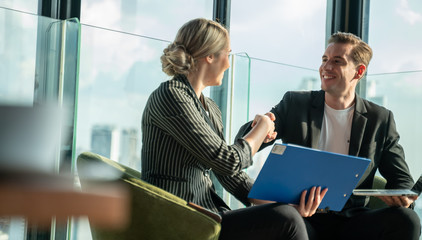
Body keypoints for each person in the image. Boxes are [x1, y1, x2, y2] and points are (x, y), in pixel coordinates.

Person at [141, 18, 328, 240]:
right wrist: (261, 129)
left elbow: (229, 175)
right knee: (286, 220)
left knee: (298, 221)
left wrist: (286, 204)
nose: (229, 64)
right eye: (226, 55)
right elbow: (227, 160)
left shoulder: (209, 107)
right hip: (181, 217)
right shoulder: (171, 96)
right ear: (209, 56)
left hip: (208, 215)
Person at [237, 32, 421, 240]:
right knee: (286, 220)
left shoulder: (380, 119)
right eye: (324, 60)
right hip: (303, 217)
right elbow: (244, 143)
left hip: (352, 221)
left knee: (407, 219)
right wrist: (263, 129)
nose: (326, 67)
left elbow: (402, 179)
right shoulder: (295, 104)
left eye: (337, 61)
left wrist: (404, 197)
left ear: (359, 72)